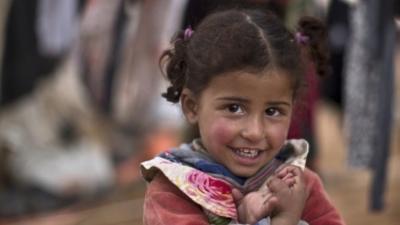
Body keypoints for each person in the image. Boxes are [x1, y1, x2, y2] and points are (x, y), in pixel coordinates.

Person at [141, 8, 345, 225]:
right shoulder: (174, 190)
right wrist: (284, 220)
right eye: (234, 108)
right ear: (192, 107)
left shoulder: (298, 184)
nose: (255, 132)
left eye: (272, 111)